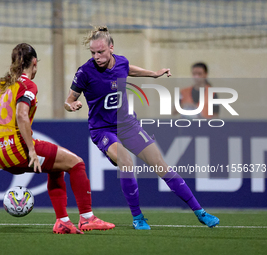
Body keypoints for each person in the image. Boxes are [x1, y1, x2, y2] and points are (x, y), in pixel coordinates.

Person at [65, 27, 220, 229]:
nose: (97, 57)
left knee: (161, 165)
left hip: (128, 125)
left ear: (111, 48)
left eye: (100, 52)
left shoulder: (121, 62)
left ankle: (200, 212)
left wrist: (154, 74)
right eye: (93, 53)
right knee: (126, 162)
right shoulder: (85, 72)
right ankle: (138, 217)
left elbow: (128, 69)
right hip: (103, 129)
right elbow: (69, 99)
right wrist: (72, 105)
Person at [0, 43, 114, 234]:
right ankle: (87, 218)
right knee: (77, 164)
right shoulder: (27, 85)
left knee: (56, 167)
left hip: (0, 155)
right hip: (19, 150)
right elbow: (22, 115)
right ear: (34, 62)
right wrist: (31, 150)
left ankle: (63, 221)